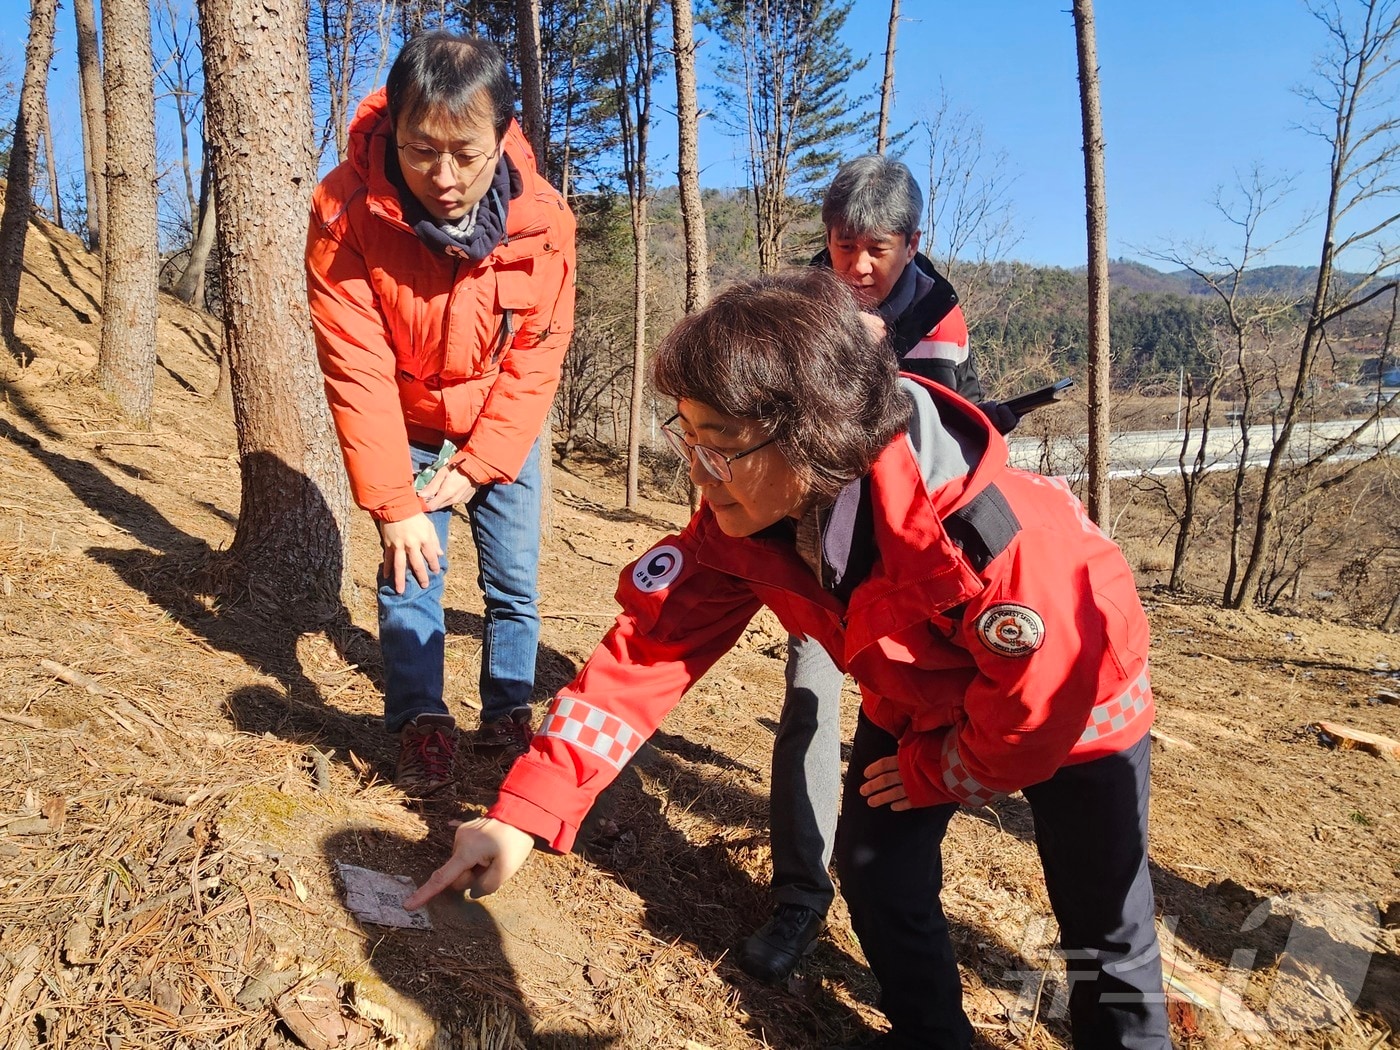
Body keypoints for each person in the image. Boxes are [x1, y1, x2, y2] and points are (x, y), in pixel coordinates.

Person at [405, 269, 1172, 1050]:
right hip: (915, 700)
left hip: (1084, 719)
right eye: (689, 437)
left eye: (724, 447)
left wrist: (936, 771)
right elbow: (639, 663)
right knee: (878, 877)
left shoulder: (998, 541)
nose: (700, 474)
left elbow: (1033, 719)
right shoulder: (746, 522)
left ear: (817, 432)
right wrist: (520, 818)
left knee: (1104, 924)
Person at [737, 156, 993, 982]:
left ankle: (894, 908)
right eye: (843, 246)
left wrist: (872, 364)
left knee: (914, 723)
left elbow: (921, 441)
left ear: (912, 244)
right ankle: (799, 899)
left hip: (909, 565)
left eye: (877, 249)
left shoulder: (939, 313)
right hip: (817, 545)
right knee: (809, 701)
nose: (857, 267)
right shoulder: (803, 297)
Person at [306, 31, 576, 795]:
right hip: (408, 425)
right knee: (411, 573)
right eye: (424, 152)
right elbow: (354, 365)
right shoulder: (343, 211)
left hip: (504, 426)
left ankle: (507, 714)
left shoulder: (545, 222)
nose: (446, 177)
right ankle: (421, 722)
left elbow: (538, 354)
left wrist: (482, 462)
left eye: (467, 152)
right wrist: (395, 502)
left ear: (503, 135)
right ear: (395, 129)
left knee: (515, 583)